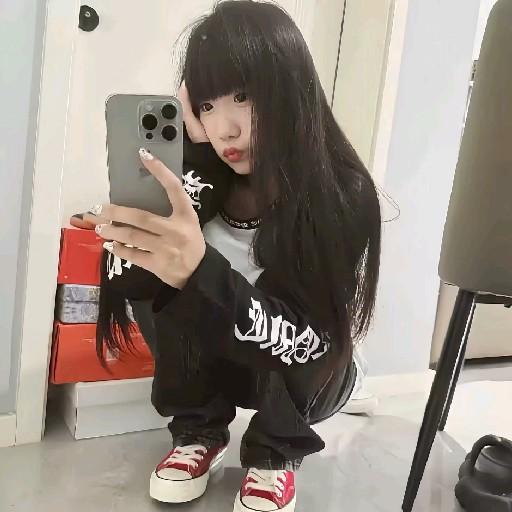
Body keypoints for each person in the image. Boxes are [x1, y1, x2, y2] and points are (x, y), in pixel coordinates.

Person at [80, 2, 381, 511]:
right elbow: (131, 287)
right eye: (206, 105)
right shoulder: (201, 179)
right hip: (225, 360)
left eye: (243, 96)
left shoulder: (341, 193)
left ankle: (276, 452)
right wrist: (190, 166)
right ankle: (199, 429)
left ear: (290, 86)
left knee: (234, 285)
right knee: (160, 272)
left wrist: (199, 271)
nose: (225, 129)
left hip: (312, 369)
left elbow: (305, 344)